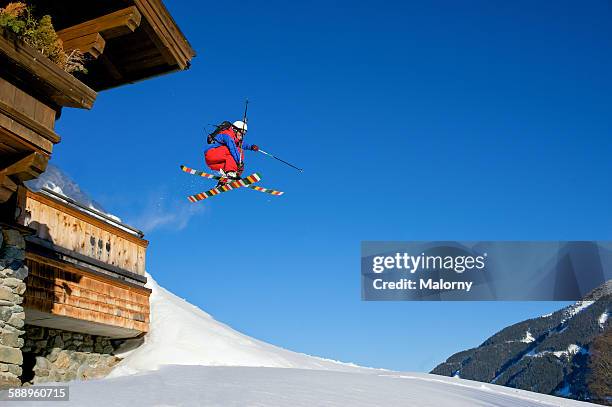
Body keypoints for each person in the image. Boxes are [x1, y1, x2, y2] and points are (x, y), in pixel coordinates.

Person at [204, 120, 259, 186]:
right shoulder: (228, 134)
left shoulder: (233, 138)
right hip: (212, 153)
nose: (242, 136)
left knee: (230, 164)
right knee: (238, 151)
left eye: (244, 134)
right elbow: (233, 148)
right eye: (241, 133)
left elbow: (241, 144)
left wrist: (251, 147)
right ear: (235, 130)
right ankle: (231, 174)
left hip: (213, 162)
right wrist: (240, 162)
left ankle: (224, 180)